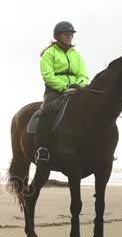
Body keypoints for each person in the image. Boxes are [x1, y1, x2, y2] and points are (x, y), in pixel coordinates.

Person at [35, 21, 90, 162]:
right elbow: (48, 76)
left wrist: (80, 86)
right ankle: (43, 149)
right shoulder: (49, 53)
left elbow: (83, 75)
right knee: (46, 112)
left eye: (71, 34)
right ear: (58, 36)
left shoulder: (76, 55)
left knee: (94, 110)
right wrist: (65, 88)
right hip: (55, 91)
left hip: (76, 90)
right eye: (66, 34)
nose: (70, 37)